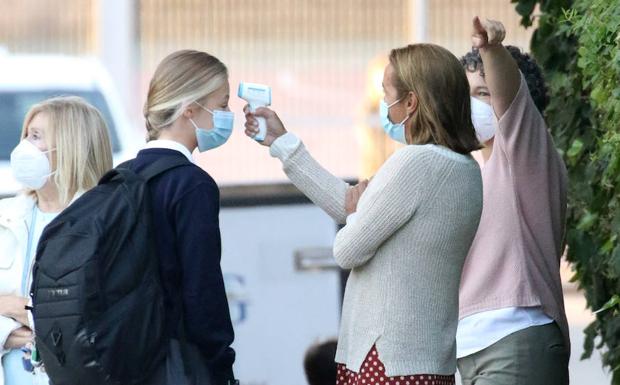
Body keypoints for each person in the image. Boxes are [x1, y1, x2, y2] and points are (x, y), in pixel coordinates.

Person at [245, 43, 483, 385]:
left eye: (387, 93)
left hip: (385, 360)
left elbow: (347, 247)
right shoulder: (465, 169)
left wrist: (357, 213)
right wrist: (283, 144)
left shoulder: (415, 163)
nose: (384, 105)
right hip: (426, 361)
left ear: (411, 103)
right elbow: (353, 208)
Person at [454, 17, 570, 385]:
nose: (470, 105)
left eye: (482, 93)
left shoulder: (525, 154)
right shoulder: (470, 172)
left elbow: (511, 97)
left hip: (516, 339)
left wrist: (491, 50)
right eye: (465, 94)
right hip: (470, 351)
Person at [137, 49, 236, 385]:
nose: (228, 115)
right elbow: (202, 288)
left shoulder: (122, 177)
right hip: (178, 362)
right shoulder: (192, 185)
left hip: (130, 356)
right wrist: (222, 365)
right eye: (222, 105)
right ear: (190, 109)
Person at [0, 96, 113, 385]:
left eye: (36, 136)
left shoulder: (105, 223)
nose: (23, 146)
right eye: (26, 134)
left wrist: (15, 307)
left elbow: (99, 319)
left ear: (70, 146)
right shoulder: (5, 216)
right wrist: (6, 334)